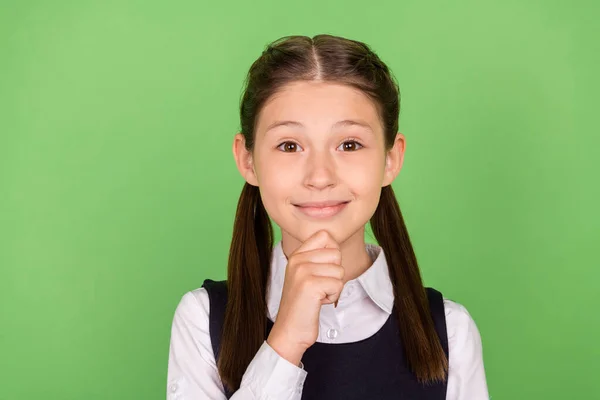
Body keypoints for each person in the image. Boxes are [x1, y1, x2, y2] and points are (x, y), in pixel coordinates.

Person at [166, 34, 489, 400]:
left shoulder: (451, 331)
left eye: (349, 145)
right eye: (290, 145)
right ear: (247, 160)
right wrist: (285, 341)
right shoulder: (202, 319)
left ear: (390, 159)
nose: (320, 176)